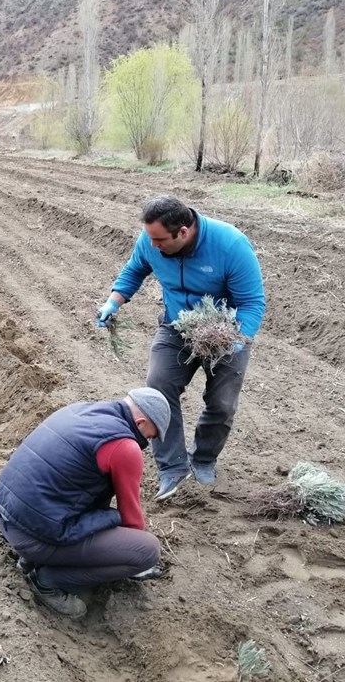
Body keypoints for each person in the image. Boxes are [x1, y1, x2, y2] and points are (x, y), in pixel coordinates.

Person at [96, 195, 265, 501]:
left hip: (225, 332)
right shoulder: (151, 240)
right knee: (159, 387)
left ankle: (203, 458)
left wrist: (235, 341)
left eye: (160, 240)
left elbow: (252, 303)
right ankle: (172, 467)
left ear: (183, 232)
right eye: (150, 238)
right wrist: (114, 301)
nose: (153, 246)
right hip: (176, 326)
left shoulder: (230, 245)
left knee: (222, 404)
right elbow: (135, 270)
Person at [0, 388, 170, 618]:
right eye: (150, 436)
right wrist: (128, 556)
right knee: (146, 550)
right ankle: (48, 580)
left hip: (7, 516)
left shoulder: (77, 410)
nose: (147, 442)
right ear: (141, 421)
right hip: (34, 537)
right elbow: (132, 520)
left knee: (96, 507)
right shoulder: (124, 447)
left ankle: (32, 559)